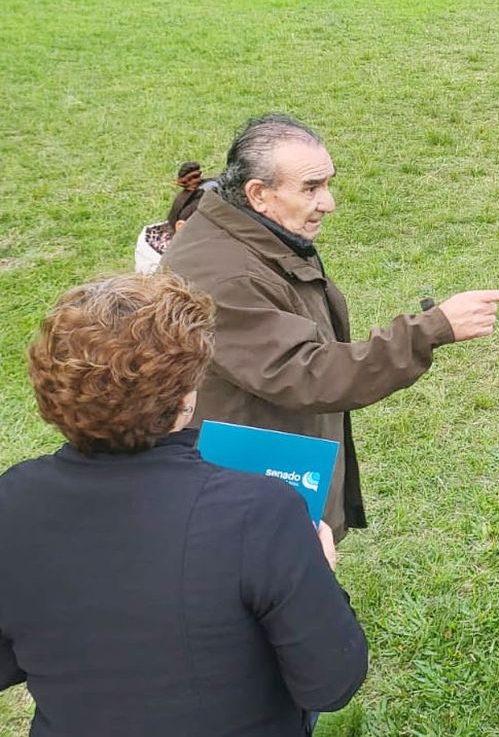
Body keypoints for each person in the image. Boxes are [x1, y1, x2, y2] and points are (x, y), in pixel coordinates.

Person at [0, 272, 367, 737]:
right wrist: (320, 574)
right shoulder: (261, 512)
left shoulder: (11, 499)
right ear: (185, 396)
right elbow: (330, 682)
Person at [162, 113, 499, 540]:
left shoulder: (253, 233)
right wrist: (432, 328)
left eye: (327, 183)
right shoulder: (226, 276)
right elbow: (307, 373)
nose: (328, 202)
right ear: (258, 193)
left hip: (267, 466)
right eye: (311, 188)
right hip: (248, 488)